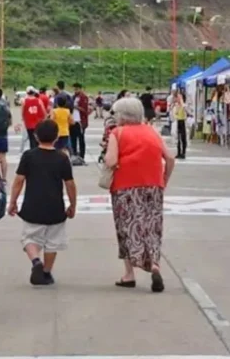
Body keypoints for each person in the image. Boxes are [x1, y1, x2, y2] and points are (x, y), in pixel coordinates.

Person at [104, 97, 175, 293]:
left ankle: (129, 274)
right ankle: (154, 266)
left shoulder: (117, 133)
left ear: (121, 115)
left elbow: (110, 161)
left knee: (128, 227)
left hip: (125, 186)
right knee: (151, 226)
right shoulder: (152, 131)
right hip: (153, 185)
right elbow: (169, 157)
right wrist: (164, 179)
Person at [8, 120, 77, 286]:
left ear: (36, 136)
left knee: (29, 237)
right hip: (55, 206)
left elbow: (19, 181)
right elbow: (70, 184)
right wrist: (72, 205)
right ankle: (46, 272)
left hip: (32, 205)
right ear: (57, 137)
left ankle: (35, 261)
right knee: (52, 242)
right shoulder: (62, 158)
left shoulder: (29, 156)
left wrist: (13, 201)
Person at [19, 86, 46, 152]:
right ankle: (38, 151)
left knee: (31, 139)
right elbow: (44, 112)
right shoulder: (39, 100)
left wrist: (23, 119)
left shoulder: (24, 101)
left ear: (27, 93)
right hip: (38, 123)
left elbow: (22, 113)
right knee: (37, 139)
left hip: (29, 124)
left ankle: (33, 151)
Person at [71, 83, 89, 160]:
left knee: (81, 138)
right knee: (73, 138)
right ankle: (74, 154)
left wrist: (76, 107)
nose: (75, 91)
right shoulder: (73, 97)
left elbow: (85, 110)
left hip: (80, 121)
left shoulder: (83, 97)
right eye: (74, 89)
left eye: (76, 89)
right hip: (73, 120)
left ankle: (82, 155)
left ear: (80, 89)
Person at [173, 91, 188, 159]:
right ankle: (178, 152)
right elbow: (174, 113)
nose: (178, 98)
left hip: (183, 121)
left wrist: (182, 103)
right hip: (177, 121)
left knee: (183, 137)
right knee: (178, 138)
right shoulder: (176, 105)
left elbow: (186, 110)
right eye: (177, 97)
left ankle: (183, 152)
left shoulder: (184, 105)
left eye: (179, 97)